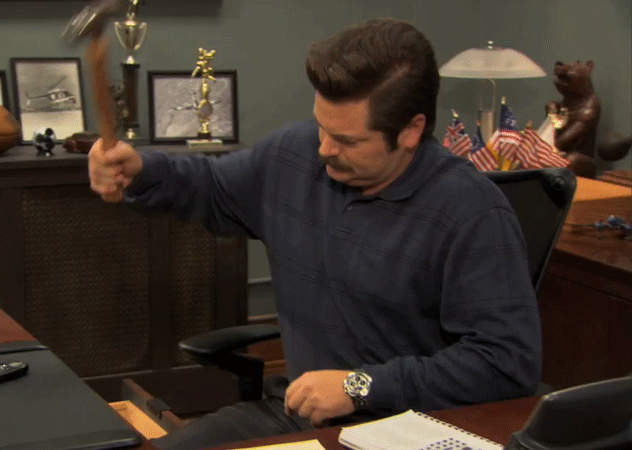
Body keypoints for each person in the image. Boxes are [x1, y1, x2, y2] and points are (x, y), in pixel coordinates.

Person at [89, 18, 542, 450]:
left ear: (411, 130)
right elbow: (208, 185)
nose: (324, 149)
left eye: (347, 141)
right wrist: (139, 169)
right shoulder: (294, 155)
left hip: (409, 429)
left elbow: (506, 364)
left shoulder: (471, 211)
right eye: (322, 128)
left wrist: (360, 387)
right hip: (298, 416)